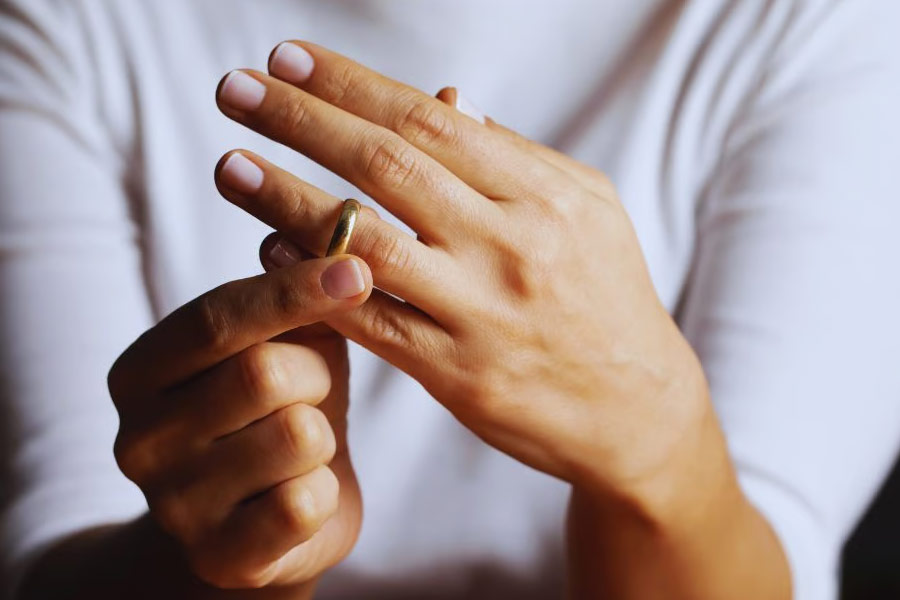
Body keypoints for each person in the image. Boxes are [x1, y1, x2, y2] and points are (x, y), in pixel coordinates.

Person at [2, 1, 899, 598]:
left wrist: (660, 454)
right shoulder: (67, 23)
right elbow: (49, 550)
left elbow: (775, 561)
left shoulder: (817, 25)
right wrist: (238, 553)